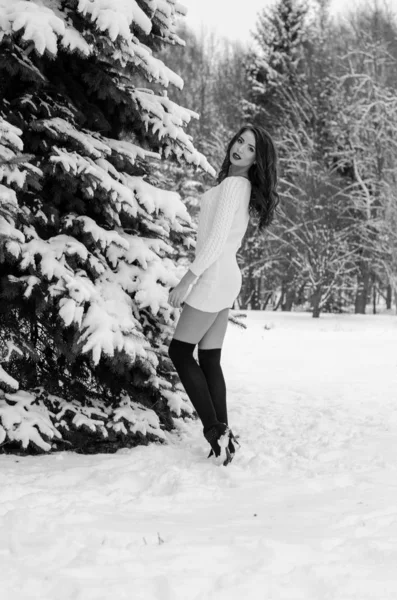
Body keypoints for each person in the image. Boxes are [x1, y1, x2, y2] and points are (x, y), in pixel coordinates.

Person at [168, 124, 279, 465]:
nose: (240, 149)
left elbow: (215, 240)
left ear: (257, 160)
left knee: (180, 351)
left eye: (250, 149)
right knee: (210, 358)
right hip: (228, 277)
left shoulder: (233, 185)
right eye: (240, 141)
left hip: (214, 276)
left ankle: (215, 430)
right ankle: (225, 436)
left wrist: (188, 279)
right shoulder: (240, 186)